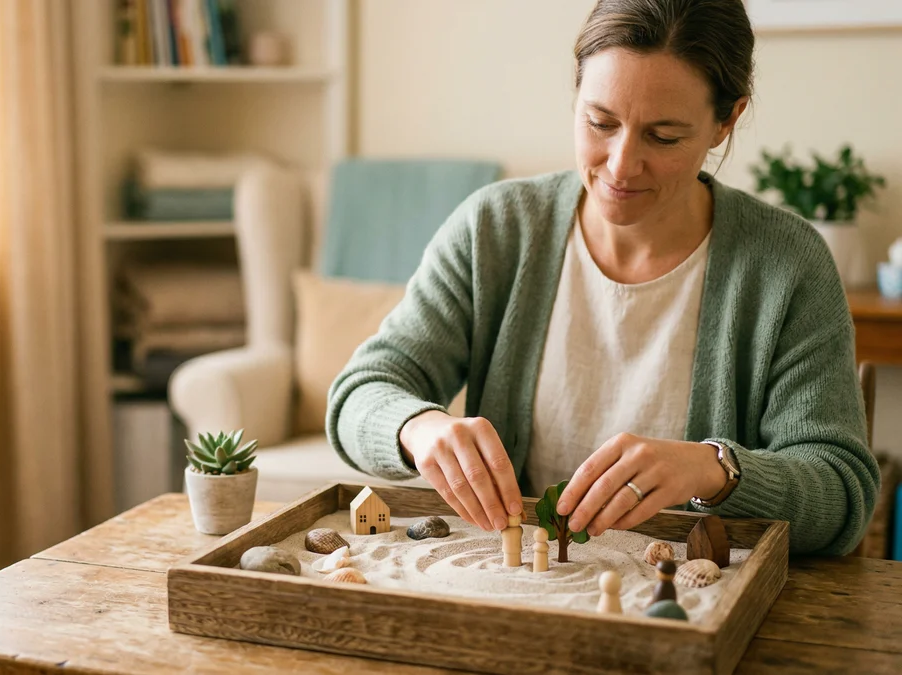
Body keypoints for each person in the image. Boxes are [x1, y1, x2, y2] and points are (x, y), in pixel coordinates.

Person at [326, 0, 879, 555]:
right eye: (600, 122)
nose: (619, 165)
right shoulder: (494, 229)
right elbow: (358, 395)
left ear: (725, 121)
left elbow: (842, 494)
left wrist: (714, 469)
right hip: (517, 588)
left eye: (663, 137)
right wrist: (419, 428)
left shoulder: (787, 264)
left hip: (697, 611)